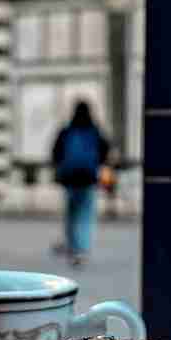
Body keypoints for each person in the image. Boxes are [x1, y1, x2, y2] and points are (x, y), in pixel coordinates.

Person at [51, 100, 111, 268]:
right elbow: (105, 150)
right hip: (88, 179)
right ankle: (82, 250)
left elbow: (55, 152)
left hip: (69, 179)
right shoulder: (95, 131)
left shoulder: (67, 130)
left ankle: (72, 246)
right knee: (85, 216)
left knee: (71, 214)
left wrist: (59, 169)